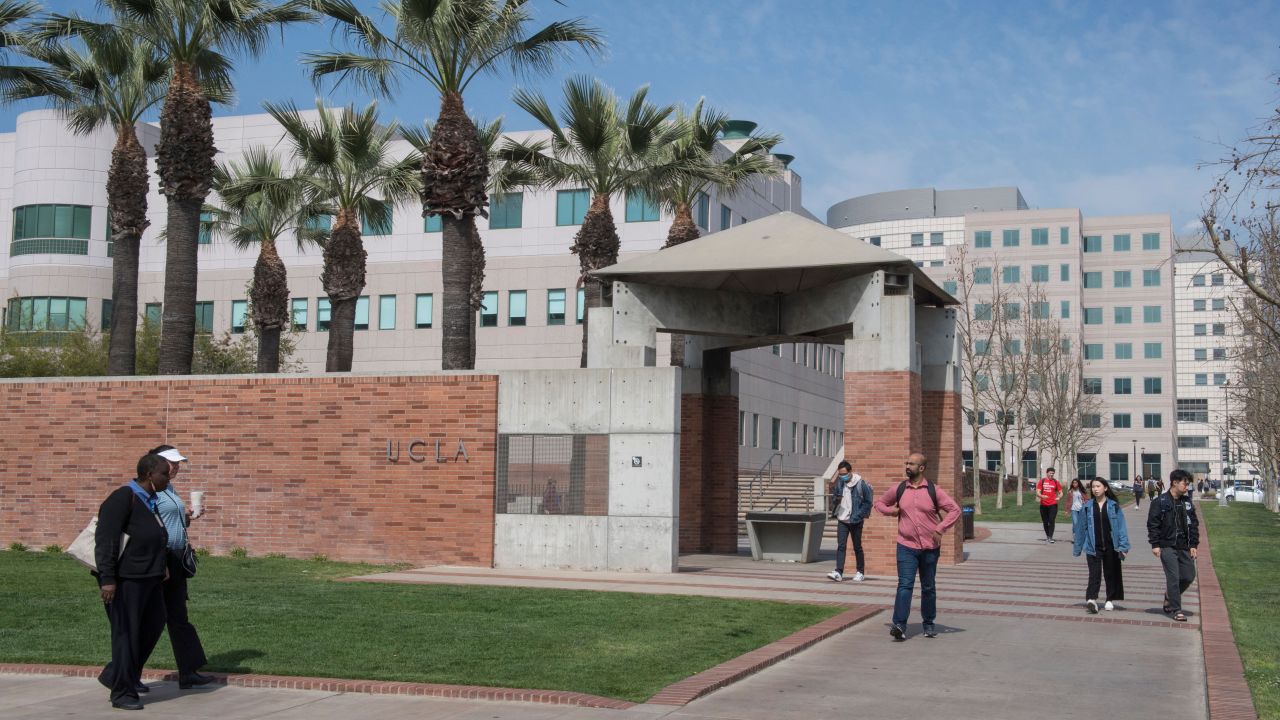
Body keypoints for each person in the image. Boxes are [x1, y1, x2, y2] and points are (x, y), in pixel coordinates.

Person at [95, 453, 171, 711]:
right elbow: (106, 539)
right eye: (164, 473)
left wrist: (162, 567)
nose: (168, 477)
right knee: (127, 635)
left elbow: (153, 536)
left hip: (150, 578)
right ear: (149, 474)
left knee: (153, 624)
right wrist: (108, 579)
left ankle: (117, 673)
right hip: (126, 580)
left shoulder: (150, 500)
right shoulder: (123, 497)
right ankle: (123, 692)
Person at [874, 452, 961, 640]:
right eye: (906, 462)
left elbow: (955, 510)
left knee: (928, 586)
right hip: (906, 546)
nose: (907, 466)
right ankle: (899, 625)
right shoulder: (899, 489)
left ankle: (928, 623)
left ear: (921, 468)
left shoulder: (933, 490)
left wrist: (941, 528)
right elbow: (879, 503)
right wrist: (891, 511)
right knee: (905, 585)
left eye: (911, 464)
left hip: (930, 548)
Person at [150, 445, 213, 689]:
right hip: (159, 561)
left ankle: (189, 671)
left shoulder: (169, 488)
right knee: (150, 621)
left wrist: (188, 517)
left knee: (178, 617)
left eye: (177, 463)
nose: (176, 467)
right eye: (171, 462)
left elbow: (169, 520)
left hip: (176, 560)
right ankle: (119, 674)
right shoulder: (149, 489)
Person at [1148, 469, 1199, 622]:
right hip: (1167, 545)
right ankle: (1176, 609)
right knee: (1173, 577)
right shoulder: (1160, 502)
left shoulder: (1187, 503)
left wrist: (1193, 544)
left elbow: (1193, 525)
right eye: (1185, 483)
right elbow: (1153, 524)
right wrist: (1155, 544)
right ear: (1175, 483)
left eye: (1188, 484)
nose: (1187, 487)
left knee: (1189, 575)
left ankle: (1169, 595)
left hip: (1183, 545)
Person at [1072, 478, 1130, 614]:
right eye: (1093, 487)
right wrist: (1078, 548)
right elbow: (1081, 528)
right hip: (1093, 547)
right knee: (1094, 574)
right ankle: (1091, 599)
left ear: (1105, 488)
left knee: (1111, 573)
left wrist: (1123, 547)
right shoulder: (1087, 506)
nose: (1095, 489)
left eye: (1098, 486)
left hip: (1112, 546)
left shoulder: (1113, 506)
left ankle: (1109, 599)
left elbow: (1121, 527)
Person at [826, 460, 873, 582]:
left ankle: (860, 572)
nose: (842, 476)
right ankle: (838, 572)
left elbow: (868, 502)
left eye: (844, 474)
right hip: (843, 520)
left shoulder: (860, 484)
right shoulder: (840, 483)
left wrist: (859, 515)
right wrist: (837, 499)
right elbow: (835, 498)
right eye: (840, 474)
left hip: (856, 520)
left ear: (850, 471)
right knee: (841, 546)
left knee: (857, 547)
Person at [1034, 467, 1064, 543]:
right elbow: (1038, 492)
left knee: (1051, 520)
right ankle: (1047, 536)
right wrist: (1041, 496)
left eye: (1053, 473)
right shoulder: (1042, 481)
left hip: (1053, 504)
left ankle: (1050, 537)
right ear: (1047, 473)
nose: (1051, 474)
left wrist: (1059, 497)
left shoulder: (1055, 482)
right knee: (1045, 521)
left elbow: (1061, 492)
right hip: (1043, 505)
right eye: (1050, 473)